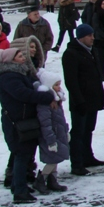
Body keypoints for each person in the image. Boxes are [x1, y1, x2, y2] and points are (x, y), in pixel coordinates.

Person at [0, 47, 56, 203]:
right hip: (17, 122)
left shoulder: (18, 74)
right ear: (10, 60)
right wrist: (46, 97)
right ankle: (19, 191)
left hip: (23, 120)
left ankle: (17, 185)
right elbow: (23, 94)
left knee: (22, 155)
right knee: (21, 155)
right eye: (19, 56)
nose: (23, 58)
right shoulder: (9, 77)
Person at [62, 24, 104, 175]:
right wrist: (78, 101)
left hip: (92, 98)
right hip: (80, 101)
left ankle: (88, 157)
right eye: (89, 36)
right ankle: (77, 163)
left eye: (93, 35)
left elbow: (97, 76)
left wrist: (101, 95)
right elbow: (71, 81)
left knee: (89, 129)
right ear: (81, 37)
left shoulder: (91, 51)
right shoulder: (71, 54)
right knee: (78, 132)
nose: (93, 38)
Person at [33, 67, 69, 195]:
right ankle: (41, 179)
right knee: (52, 159)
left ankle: (52, 180)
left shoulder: (56, 101)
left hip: (58, 133)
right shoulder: (45, 103)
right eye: (56, 85)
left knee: (56, 157)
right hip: (51, 136)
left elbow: (60, 118)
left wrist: (65, 130)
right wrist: (50, 140)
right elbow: (45, 123)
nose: (59, 88)